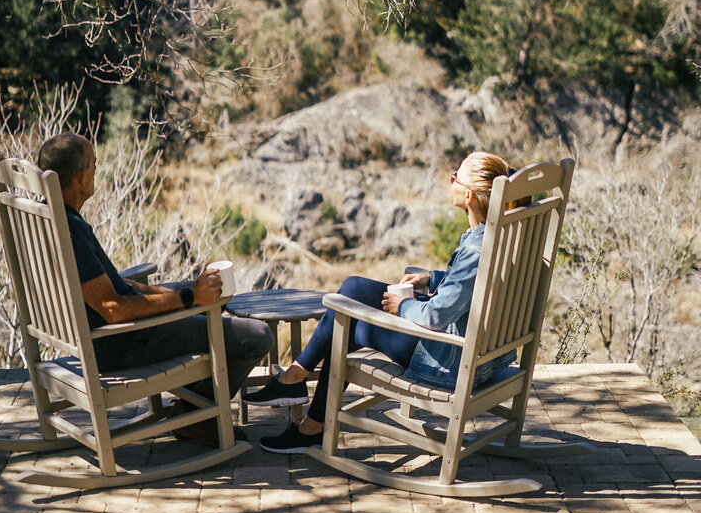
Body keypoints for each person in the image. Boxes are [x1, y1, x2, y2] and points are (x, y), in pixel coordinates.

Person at [247, 150, 525, 453]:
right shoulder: (504, 234)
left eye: (455, 176)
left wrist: (401, 307)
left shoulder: (475, 251)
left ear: (470, 195)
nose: (451, 179)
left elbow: (436, 316)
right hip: (484, 357)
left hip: (448, 363)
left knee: (346, 324)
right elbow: (474, 288)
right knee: (352, 286)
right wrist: (431, 279)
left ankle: (308, 418)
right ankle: (296, 379)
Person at [37, 132, 273, 445]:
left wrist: (186, 291)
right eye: (94, 164)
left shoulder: (45, 217)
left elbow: (113, 286)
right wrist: (187, 298)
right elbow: (114, 309)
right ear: (81, 176)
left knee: (213, 299)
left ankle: (195, 403)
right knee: (257, 335)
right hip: (121, 342)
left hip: (105, 334)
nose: (97, 170)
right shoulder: (71, 230)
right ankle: (194, 415)